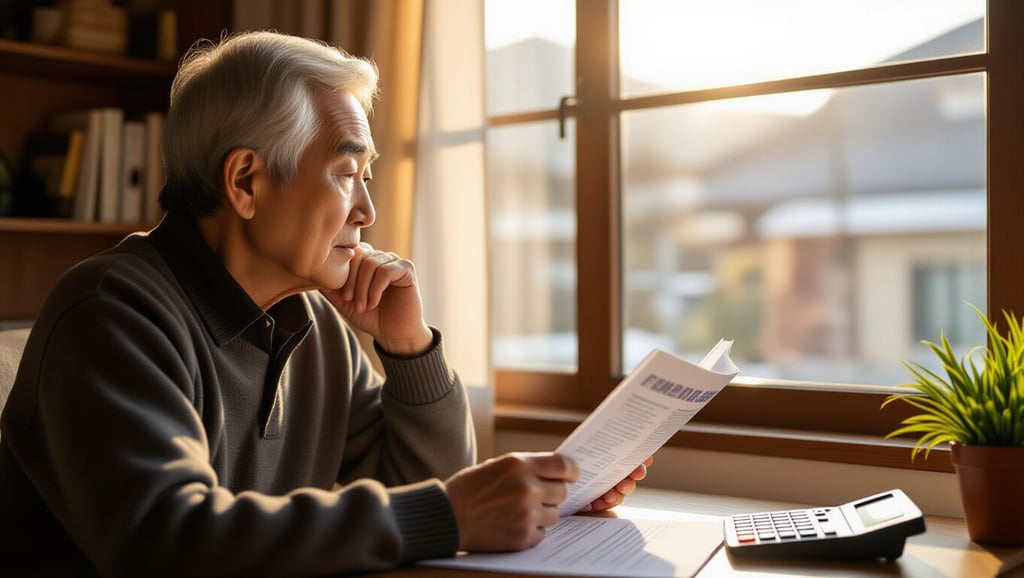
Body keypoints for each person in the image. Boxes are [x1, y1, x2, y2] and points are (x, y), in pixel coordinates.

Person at [0, 31, 650, 576]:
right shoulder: (110, 313)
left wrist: (409, 347)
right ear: (246, 181)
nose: (367, 210)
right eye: (345, 174)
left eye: (367, 177)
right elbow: (165, 539)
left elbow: (423, 490)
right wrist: (448, 514)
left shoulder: (309, 320)